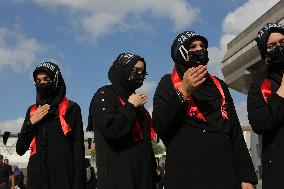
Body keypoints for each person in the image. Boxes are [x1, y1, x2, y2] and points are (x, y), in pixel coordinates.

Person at [152, 31, 257, 189]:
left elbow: (234, 130)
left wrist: (246, 176)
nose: (200, 49)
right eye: (192, 46)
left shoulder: (218, 85)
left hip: (224, 173)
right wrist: (183, 92)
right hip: (186, 174)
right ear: (180, 52)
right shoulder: (167, 84)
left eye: (202, 46)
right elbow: (160, 125)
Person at [88, 53, 157, 189]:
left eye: (142, 72)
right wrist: (130, 106)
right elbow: (111, 129)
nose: (139, 75)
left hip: (143, 179)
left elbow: (145, 142)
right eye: (135, 70)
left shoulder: (136, 101)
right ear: (122, 69)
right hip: (118, 178)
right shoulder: (105, 94)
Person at [16, 62, 86, 189]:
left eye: (46, 79)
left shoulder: (71, 108)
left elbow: (78, 151)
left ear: (56, 80)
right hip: (36, 180)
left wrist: (79, 183)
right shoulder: (32, 111)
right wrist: (31, 123)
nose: (41, 83)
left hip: (63, 179)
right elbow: (20, 149)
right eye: (38, 80)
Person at [248, 23, 284, 189]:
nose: (279, 47)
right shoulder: (258, 88)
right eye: (272, 45)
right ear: (265, 54)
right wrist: (282, 92)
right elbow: (259, 123)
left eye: (282, 42)